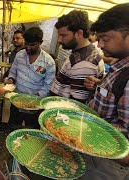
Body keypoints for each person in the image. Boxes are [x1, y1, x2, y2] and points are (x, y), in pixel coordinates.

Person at [81, 3, 129, 179]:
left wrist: (81, 126)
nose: (99, 45)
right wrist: (99, 85)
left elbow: (126, 135)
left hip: (108, 162)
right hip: (95, 150)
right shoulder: (120, 66)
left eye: (105, 38)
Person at [50, 10, 105, 103]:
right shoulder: (82, 53)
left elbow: (76, 105)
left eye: (63, 35)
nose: (59, 40)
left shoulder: (84, 64)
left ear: (79, 33)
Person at [6, 27, 56, 129]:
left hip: (35, 107)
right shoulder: (20, 55)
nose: (28, 47)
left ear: (40, 42)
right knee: (13, 128)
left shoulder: (48, 62)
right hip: (16, 102)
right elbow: (13, 71)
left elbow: (47, 86)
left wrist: (32, 101)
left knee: (31, 132)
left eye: (32, 45)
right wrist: (10, 79)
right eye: (26, 43)